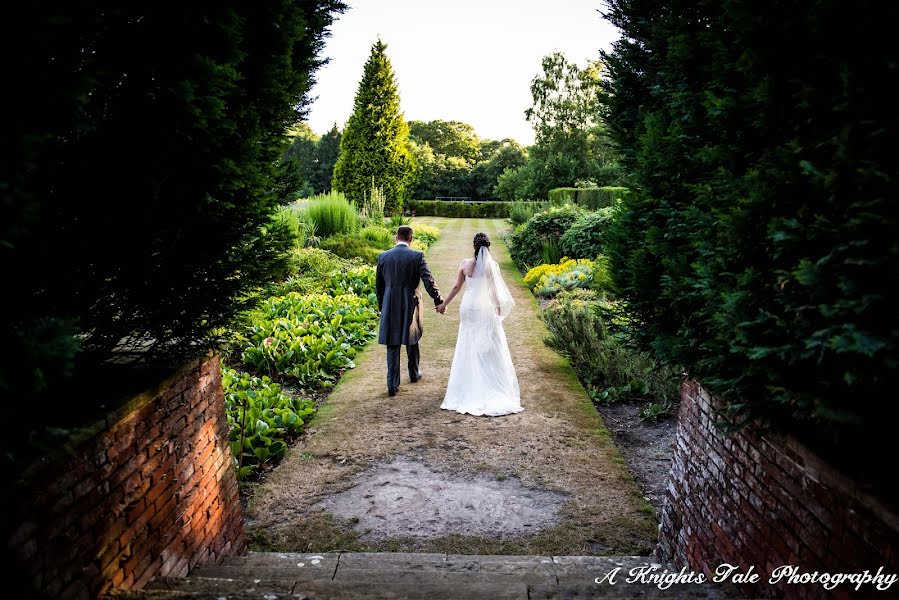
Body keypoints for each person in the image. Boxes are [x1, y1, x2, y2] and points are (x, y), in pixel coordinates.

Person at [436, 232, 523, 416]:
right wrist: (498, 309)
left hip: (468, 308)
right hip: (485, 309)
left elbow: (456, 287)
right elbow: (493, 291)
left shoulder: (465, 264)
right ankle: (487, 383)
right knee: (488, 343)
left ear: (473, 246)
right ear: (487, 247)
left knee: (467, 343)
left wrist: (444, 304)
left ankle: (468, 383)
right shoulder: (492, 267)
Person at [376, 225, 445, 396]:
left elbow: (379, 286)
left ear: (396, 237)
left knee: (393, 343)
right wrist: (438, 300)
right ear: (410, 239)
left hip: (390, 303)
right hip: (410, 302)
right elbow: (428, 280)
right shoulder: (417, 256)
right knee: (412, 338)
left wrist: (382, 307)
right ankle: (414, 373)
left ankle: (392, 385)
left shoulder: (383, 257)